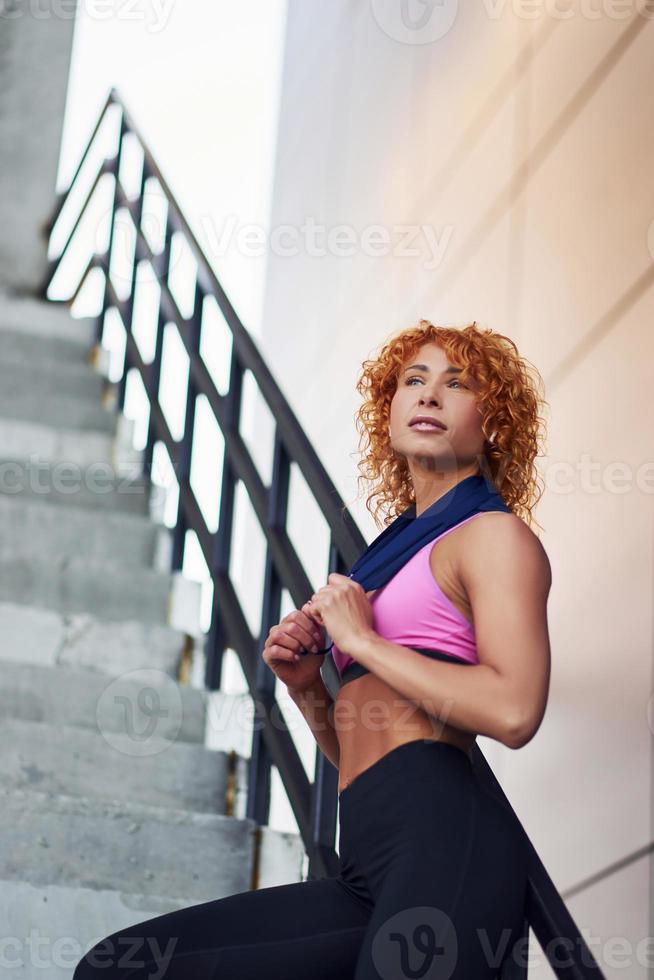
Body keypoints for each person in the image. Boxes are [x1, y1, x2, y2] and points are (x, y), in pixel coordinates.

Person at [73, 319, 551, 979]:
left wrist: (360, 641)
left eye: (457, 384)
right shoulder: (385, 558)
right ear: (389, 411)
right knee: (120, 966)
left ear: (492, 423)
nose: (429, 395)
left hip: (446, 849)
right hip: (365, 861)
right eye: (414, 380)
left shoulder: (492, 537)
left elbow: (515, 708)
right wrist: (306, 687)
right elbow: (364, 746)